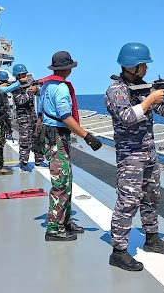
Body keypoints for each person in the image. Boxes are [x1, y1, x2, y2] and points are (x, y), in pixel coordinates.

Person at [105, 43, 164, 271]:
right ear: (131, 66)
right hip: (130, 156)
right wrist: (150, 99)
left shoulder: (145, 88)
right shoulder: (115, 90)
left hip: (148, 152)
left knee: (151, 197)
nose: (146, 69)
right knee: (127, 202)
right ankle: (118, 251)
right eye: (143, 65)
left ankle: (152, 239)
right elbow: (126, 117)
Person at [37, 51, 102, 242]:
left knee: (66, 179)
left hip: (50, 135)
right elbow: (66, 117)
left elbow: (40, 112)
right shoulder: (61, 89)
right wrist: (87, 136)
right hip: (57, 136)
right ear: (69, 68)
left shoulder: (46, 85)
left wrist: (36, 137)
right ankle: (54, 228)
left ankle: (64, 221)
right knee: (61, 183)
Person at [11, 64, 46, 171]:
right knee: (25, 141)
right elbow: (20, 100)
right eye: (21, 75)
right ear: (17, 76)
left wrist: (36, 89)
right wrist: (30, 92)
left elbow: (40, 93)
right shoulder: (15, 87)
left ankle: (39, 160)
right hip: (23, 118)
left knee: (38, 138)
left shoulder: (29, 84)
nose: (24, 77)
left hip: (33, 117)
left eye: (25, 74)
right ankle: (23, 162)